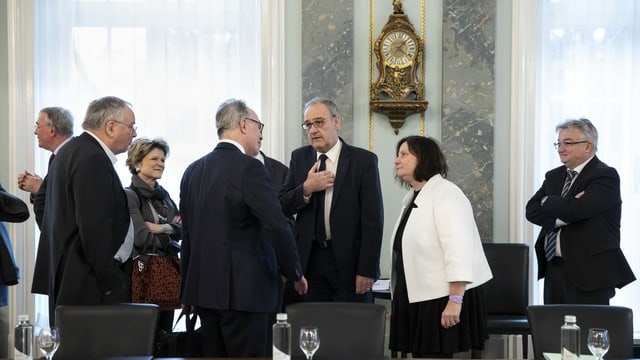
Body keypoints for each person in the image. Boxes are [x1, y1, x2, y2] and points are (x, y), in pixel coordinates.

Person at [179, 98, 307, 357]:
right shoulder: (250, 168)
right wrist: (294, 271)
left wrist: (187, 291)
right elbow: (276, 224)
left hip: (204, 294)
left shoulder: (192, 171)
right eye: (259, 126)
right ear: (243, 124)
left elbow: (188, 235)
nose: (261, 133)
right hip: (246, 295)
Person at [32, 96, 137, 324]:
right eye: (131, 127)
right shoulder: (92, 158)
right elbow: (94, 230)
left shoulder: (68, 152)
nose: (134, 134)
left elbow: (42, 203)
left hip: (69, 278)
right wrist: (111, 282)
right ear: (110, 127)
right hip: (88, 285)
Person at [389, 135, 492, 358]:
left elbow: (459, 250)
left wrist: (455, 300)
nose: (397, 160)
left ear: (423, 158)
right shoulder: (413, 196)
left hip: (441, 297)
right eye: (398, 155)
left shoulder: (447, 194)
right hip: (420, 295)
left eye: (404, 154)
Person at [280, 97, 384, 303]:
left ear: (336, 122)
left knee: (351, 328)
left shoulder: (363, 161)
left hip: (350, 262)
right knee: (314, 327)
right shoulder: (299, 158)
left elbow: (373, 221)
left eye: (319, 122)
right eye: (308, 124)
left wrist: (367, 269)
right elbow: (282, 204)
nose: (313, 130)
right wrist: (306, 189)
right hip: (311, 261)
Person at [526, 118, 635, 304]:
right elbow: (532, 210)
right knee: (553, 329)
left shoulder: (605, 176)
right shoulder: (554, 176)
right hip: (554, 269)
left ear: (588, 146)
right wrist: (562, 214)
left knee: (587, 330)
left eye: (568, 143)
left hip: (590, 272)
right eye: (558, 143)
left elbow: (579, 210)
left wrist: (549, 202)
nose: (561, 148)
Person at [125, 137, 182, 334]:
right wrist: (171, 235)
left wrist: (161, 229)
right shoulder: (129, 195)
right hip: (143, 272)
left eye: (163, 160)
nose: (160, 164)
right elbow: (140, 237)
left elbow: (183, 229)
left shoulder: (165, 196)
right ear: (137, 163)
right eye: (154, 159)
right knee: (144, 335)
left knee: (165, 334)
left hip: (168, 273)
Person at [17, 107, 74, 228]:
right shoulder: (57, 156)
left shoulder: (73, 156)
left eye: (38, 126)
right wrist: (40, 187)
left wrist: (40, 189)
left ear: (52, 130)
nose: (35, 132)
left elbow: (69, 204)